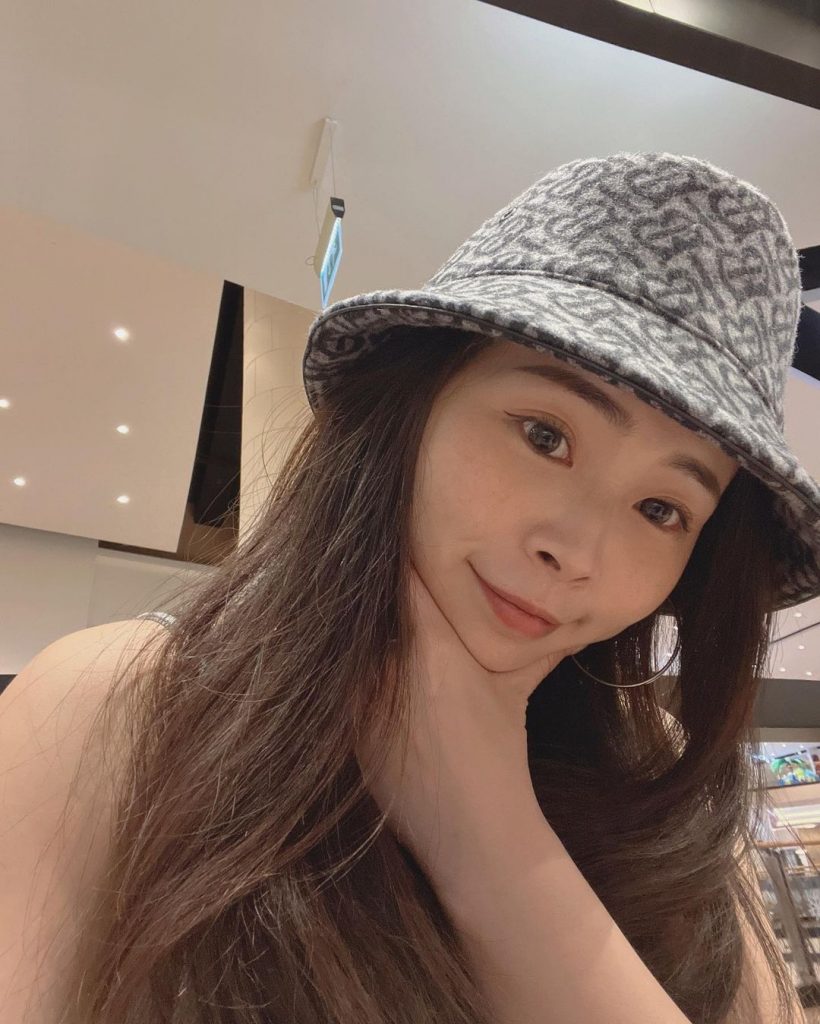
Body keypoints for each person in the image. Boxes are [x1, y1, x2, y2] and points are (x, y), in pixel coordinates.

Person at [2, 151, 817, 1023]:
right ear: (411, 407)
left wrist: (489, 838)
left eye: (661, 509)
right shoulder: (120, 706)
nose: (578, 551)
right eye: (545, 435)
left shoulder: (658, 782)